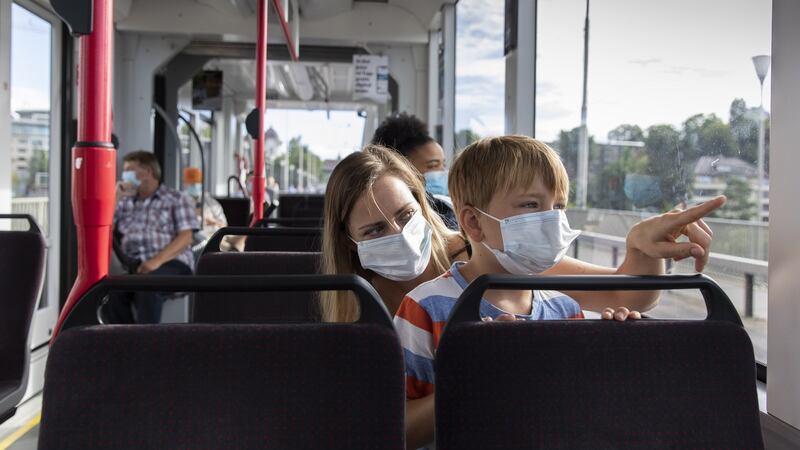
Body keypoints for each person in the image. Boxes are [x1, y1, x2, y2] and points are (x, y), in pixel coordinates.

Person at [394, 135, 726, 449]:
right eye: (530, 205)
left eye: (558, 207)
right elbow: (396, 431)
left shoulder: (565, 309)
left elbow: (575, 414)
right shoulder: (426, 309)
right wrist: (479, 375)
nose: (551, 221)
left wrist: (607, 353)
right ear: (474, 222)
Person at [319, 145, 470, 322]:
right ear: (350, 242)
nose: (401, 235)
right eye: (375, 230)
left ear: (419, 203)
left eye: (406, 215)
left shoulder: (473, 257)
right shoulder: (356, 301)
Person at [108, 151, 199, 323]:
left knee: (147, 287)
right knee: (113, 291)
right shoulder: (125, 202)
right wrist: (116, 197)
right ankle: (123, 340)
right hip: (135, 265)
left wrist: (156, 261)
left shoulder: (176, 199)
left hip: (171, 262)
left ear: (148, 171)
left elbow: (186, 237)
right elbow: (105, 228)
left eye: (129, 170)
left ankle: (146, 343)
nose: (124, 175)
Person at [372, 113, 457, 230]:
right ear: (402, 169)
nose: (443, 172)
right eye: (432, 165)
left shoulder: (446, 207)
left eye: (443, 164)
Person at [182, 167, 244, 253]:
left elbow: (224, 225)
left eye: (197, 183)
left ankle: (234, 252)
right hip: (204, 236)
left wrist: (210, 220)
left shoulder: (210, 202)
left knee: (242, 238)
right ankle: (231, 253)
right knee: (221, 245)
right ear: (185, 184)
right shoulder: (182, 203)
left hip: (220, 232)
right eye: (192, 184)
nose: (195, 186)